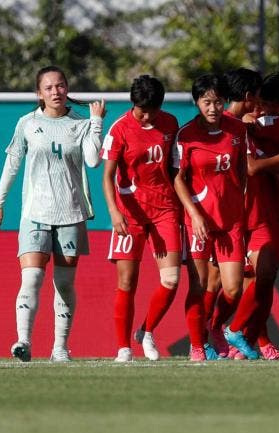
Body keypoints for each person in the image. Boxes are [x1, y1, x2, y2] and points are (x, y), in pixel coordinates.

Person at [0, 65, 106, 362]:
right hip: (35, 213)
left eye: (60, 86)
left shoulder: (80, 124)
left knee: (64, 284)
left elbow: (93, 161)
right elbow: (13, 162)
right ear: (39, 93)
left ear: (67, 88)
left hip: (71, 213)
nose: (56, 92)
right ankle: (24, 342)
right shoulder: (27, 123)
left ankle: (59, 348)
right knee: (31, 279)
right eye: (49, 87)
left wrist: (96, 123)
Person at [100, 75, 181, 362]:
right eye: (142, 110)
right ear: (133, 105)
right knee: (127, 282)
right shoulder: (120, 129)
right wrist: (114, 212)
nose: (147, 116)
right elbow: (107, 176)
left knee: (171, 279)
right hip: (130, 214)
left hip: (165, 210)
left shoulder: (170, 124)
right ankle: (123, 348)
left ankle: (146, 330)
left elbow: (175, 170)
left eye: (152, 111)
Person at [220, 68, 279, 360]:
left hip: (262, 211)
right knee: (226, 286)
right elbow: (251, 166)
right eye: (260, 100)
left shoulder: (254, 125)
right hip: (231, 217)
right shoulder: (227, 126)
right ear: (251, 97)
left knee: (265, 277)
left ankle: (245, 336)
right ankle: (214, 336)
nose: (262, 107)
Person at [173, 73, 250, 361]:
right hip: (199, 223)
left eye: (218, 102)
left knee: (233, 288)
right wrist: (195, 214)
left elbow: (243, 168)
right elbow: (178, 178)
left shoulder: (237, 130)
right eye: (207, 102)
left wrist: (240, 200)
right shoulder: (187, 135)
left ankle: (215, 328)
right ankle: (197, 345)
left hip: (231, 221)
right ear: (197, 102)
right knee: (199, 285)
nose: (213, 108)